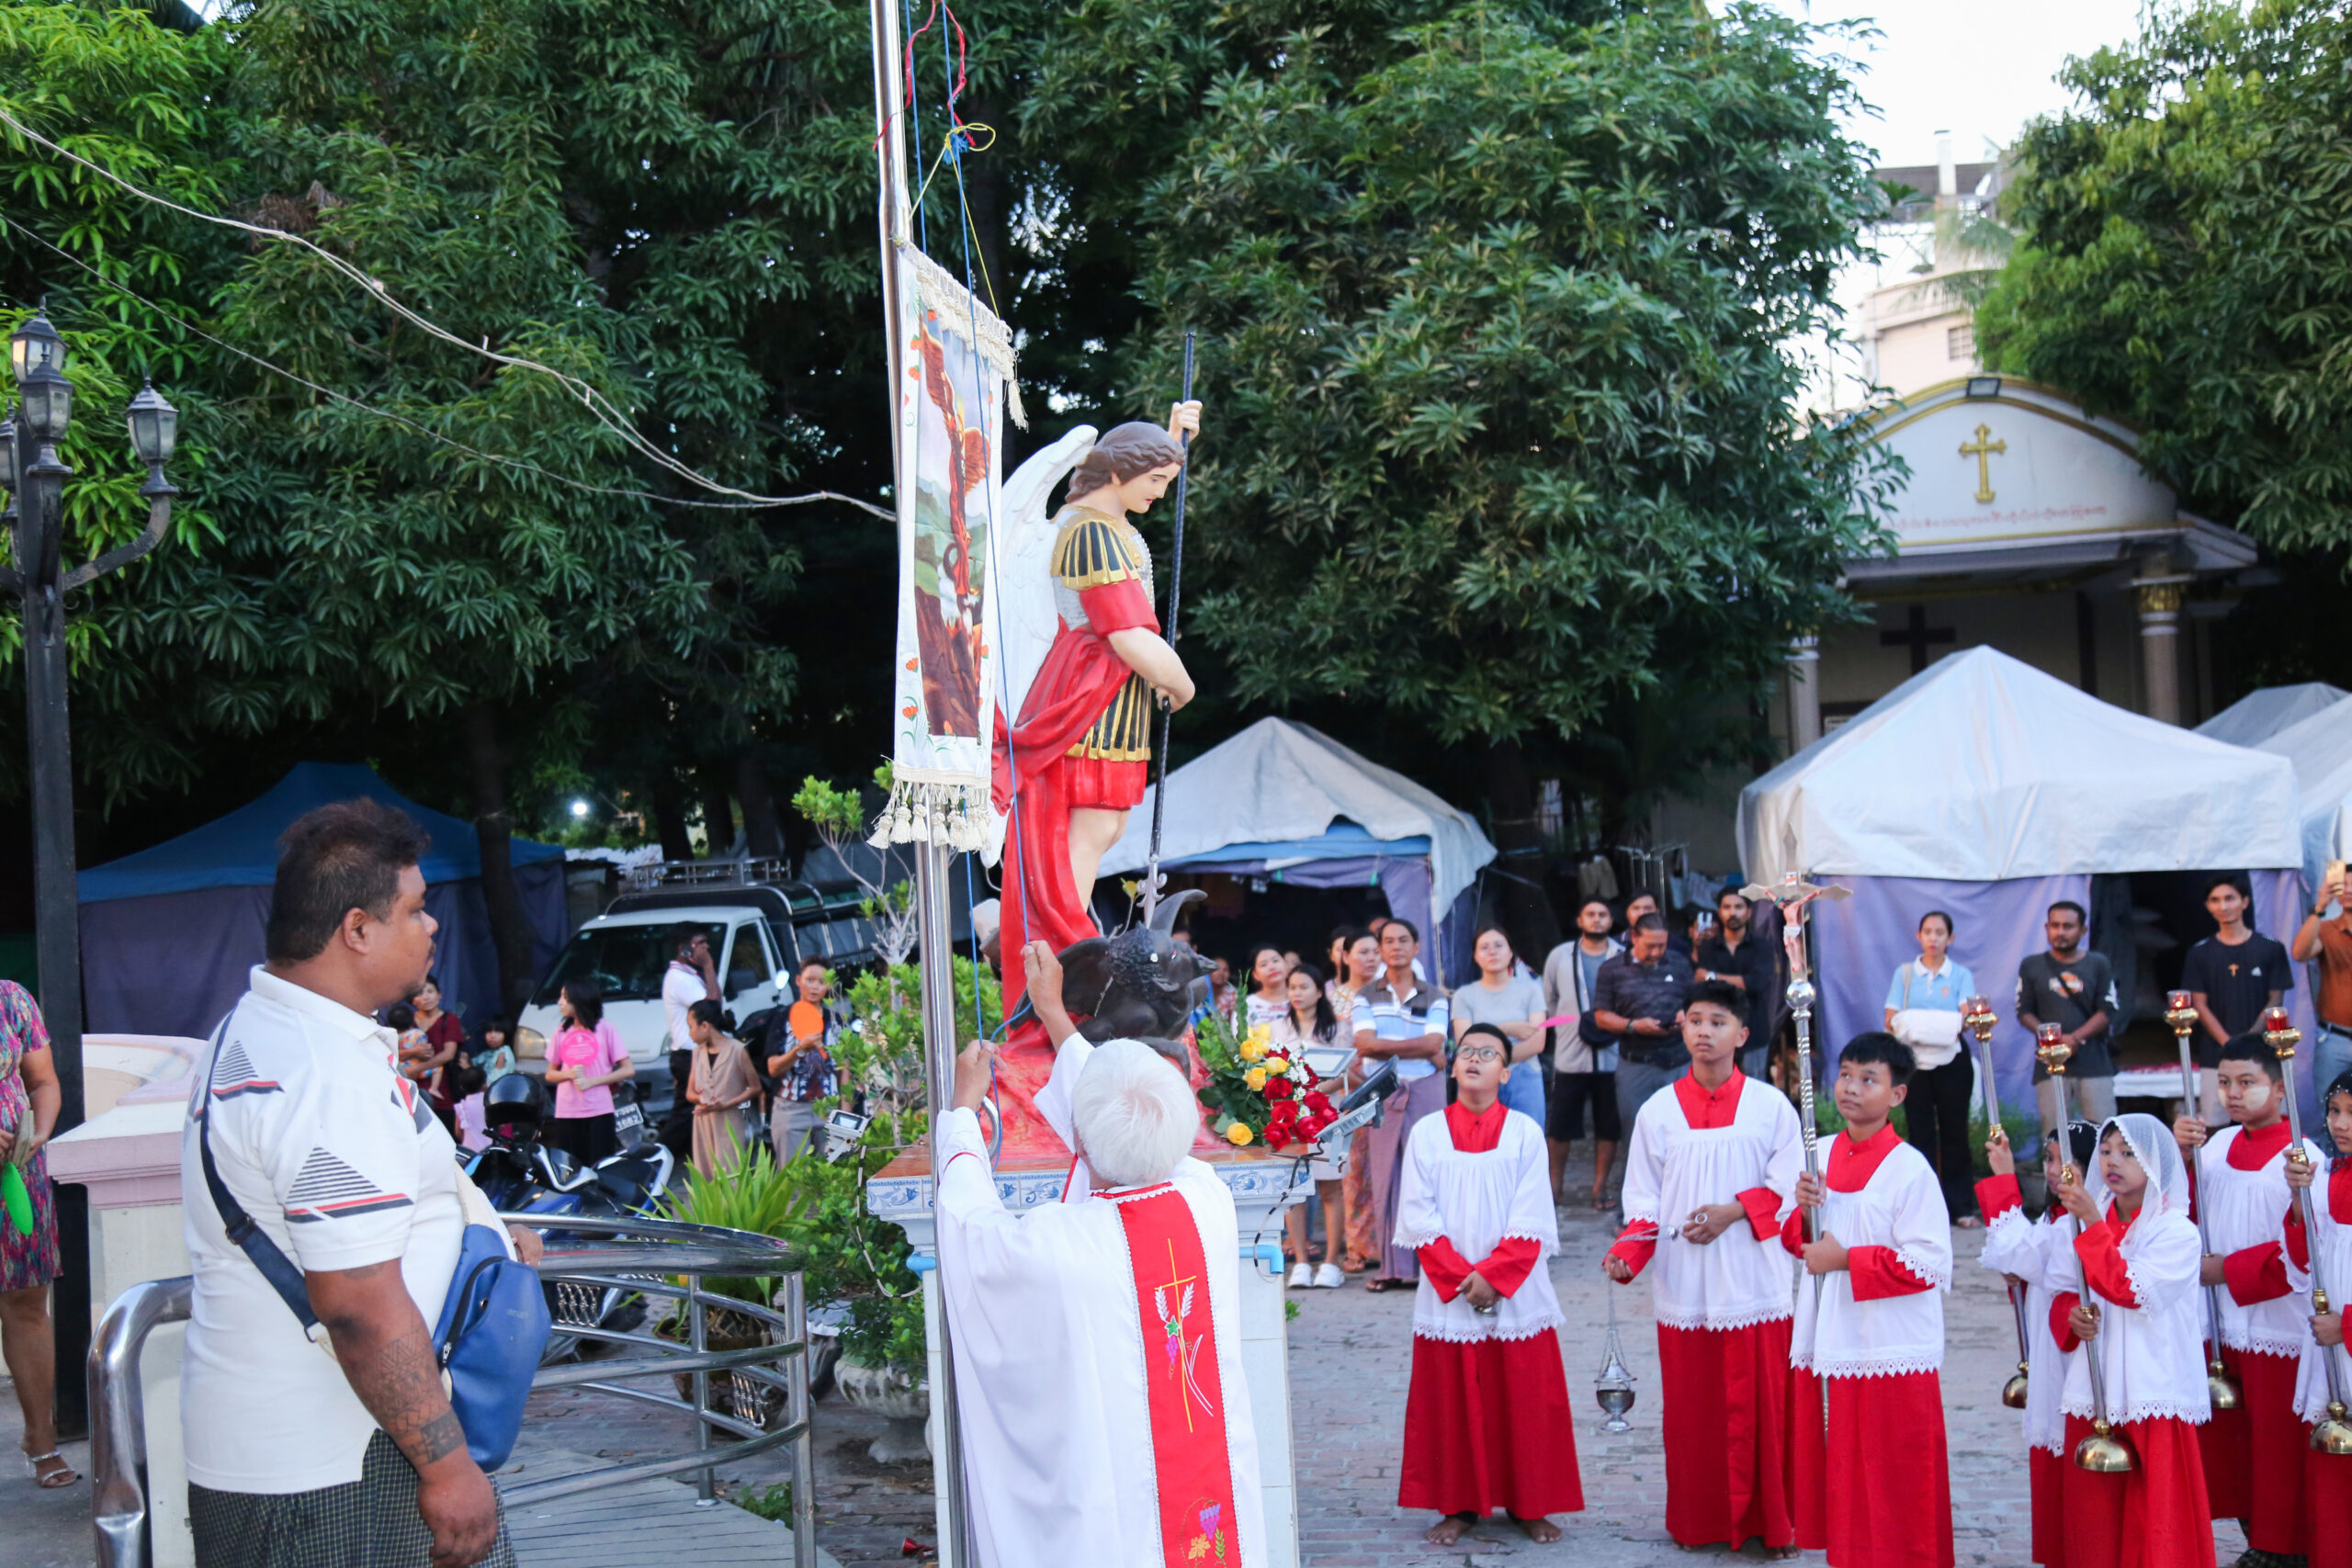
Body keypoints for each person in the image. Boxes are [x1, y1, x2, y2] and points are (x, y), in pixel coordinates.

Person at [179, 799, 541, 1568]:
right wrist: (447, 1466)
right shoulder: (321, 1072)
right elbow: (360, 1304)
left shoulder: (262, 1032)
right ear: (356, 929)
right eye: (414, 909)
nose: (432, 926)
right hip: (344, 1473)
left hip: (302, 1462)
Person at [933, 941, 1266, 1567]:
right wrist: (1054, 1011)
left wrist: (962, 1111)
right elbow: (1126, 1107)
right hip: (1202, 1503)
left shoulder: (1061, 1242)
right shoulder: (1207, 1200)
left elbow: (969, 1224)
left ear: (1080, 1137)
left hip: (1113, 1522)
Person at [991, 406, 1203, 1025]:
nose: (1160, 496)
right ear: (1122, 471)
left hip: (1110, 698)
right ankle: (1067, 974)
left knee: (1097, 836)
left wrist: (1170, 434)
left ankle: (1073, 967)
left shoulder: (1106, 523)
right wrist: (1182, 682)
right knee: (1075, 849)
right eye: (1155, 481)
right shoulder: (1088, 531)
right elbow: (1126, 631)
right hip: (1090, 699)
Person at [1604, 979, 1800, 1555]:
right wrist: (1628, 1253)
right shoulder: (1658, 1111)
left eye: (1718, 1021)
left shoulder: (1771, 1107)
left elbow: (1788, 1190)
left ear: (1741, 1035)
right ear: (1682, 1029)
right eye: (1694, 1020)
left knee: (1764, 1406)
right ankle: (1699, 1522)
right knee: (1694, 1411)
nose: (1704, 1031)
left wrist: (1735, 1211)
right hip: (1685, 1284)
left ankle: (1773, 1522)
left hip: (1754, 1279)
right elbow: (1642, 1198)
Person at [1394, 1018, 1580, 1545]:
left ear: (1506, 1073)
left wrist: (1495, 1278)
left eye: (1489, 1054)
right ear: (1453, 1067)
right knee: (1453, 1397)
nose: (1475, 1059)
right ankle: (1459, 1505)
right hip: (1449, 1290)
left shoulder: (1524, 1133)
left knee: (1525, 1394)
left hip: (1516, 1291)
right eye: (1467, 1052)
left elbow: (1533, 1214)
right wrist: (1460, 1279)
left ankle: (1532, 1503)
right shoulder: (1428, 1132)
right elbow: (1418, 1216)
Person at [1784, 1032, 1955, 1568]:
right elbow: (1803, 1244)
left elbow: (1930, 1263)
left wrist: (1847, 1260)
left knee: (1897, 1469)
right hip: (1835, 1335)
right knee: (1846, 1470)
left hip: (1891, 1344)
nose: (1851, 1089)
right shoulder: (1823, 1153)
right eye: (1846, 1075)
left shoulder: (1910, 1170)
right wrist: (1802, 1209)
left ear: (1898, 1095)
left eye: (1869, 1079)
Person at [2171, 1032, 2324, 1562]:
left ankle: (2285, 1547)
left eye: (2246, 1083)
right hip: (2222, 1322)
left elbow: (2306, 1249)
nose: (2232, 1094)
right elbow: (2184, 1213)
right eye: (2223, 1083)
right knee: (2238, 1442)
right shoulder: (2214, 1148)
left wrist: (2223, 1270)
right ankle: (2255, 1536)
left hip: (2279, 1323)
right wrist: (2183, 1159)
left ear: (2279, 1088)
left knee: (2278, 1442)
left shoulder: (2303, 1158)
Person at [2051, 1114, 2215, 1568]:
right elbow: (2065, 1287)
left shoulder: (2176, 1232)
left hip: (2150, 1386)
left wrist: (2089, 1221)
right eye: (2105, 1151)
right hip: (2098, 1383)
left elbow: (2129, 1289)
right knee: (2095, 1518)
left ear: (2155, 1163)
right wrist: (2074, 1316)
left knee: (2154, 1516)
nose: (2112, 1161)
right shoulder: (2087, 1224)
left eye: (2128, 1153)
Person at [1977, 1117, 2106, 1568]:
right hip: (2052, 1347)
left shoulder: (2080, 1222)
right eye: (2050, 1160)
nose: (2055, 1172)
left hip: (2073, 1350)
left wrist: (2004, 1180)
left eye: (2068, 1164)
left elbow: (2020, 1253)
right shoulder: (2055, 1218)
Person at [0, 980, 71, 1491]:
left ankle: (41, 1440)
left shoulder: (10, 1000)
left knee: (27, 1303)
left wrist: (39, 1132)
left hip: (15, 1175)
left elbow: (42, 1081)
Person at [1355, 919, 1451, 1292]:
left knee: (1429, 1174)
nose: (1396, 947)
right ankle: (1393, 1268)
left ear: (1416, 948)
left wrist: (1386, 1045)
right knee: (1386, 1176)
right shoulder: (1366, 995)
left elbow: (1434, 1045)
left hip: (1426, 1088)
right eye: (1389, 941)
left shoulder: (1435, 995)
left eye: (1404, 940)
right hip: (1383, 1089)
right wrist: (1418, 1047)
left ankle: (1434, 1266)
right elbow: (1364, 1044)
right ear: (1380, 948)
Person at [2286, 1067, 2352, 1568]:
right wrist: (2298, 1197)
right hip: (2330, 1341)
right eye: (2334, 1112)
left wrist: (2346, 1327)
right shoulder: (2330, 1175)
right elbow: (2307, 1258)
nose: (2342, 1124)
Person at [1884, 910, 1979, 1226]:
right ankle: (1923, 1208)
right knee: (1920, 1133)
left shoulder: (1960, 975)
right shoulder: (1906, 974)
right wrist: (1936, 1026)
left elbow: (1966, 1018)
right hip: (1915, 1065)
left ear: (1950, 938)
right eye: (1928, 931)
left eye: (1940, 932)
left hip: (1952, 1060)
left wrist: (1919, 1024)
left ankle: (1961, 1207)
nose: (1933, 938)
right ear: (1919, 936)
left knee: (1955, 1133)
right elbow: (1891, 1018)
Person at [2182, 874, 2294, 1126]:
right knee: (2214, 1125)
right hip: (2217, 1055)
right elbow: (2198, 1003)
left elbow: (2276, 998)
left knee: (2270, 1122)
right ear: (2208, 906)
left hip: (2262, 1053)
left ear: (2245, 902)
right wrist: (2229, 1043)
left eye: (2229, 898)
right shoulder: (2200, 953)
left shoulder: (2270, 948)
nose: (2223, 906)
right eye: (2215, 900)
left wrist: (2248, 1041)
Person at [1591, 913, 1695, 1162]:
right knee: (1637, 1132)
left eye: (1662, 945)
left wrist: (1686, 1014)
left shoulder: (1679, 963)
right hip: (1636, 1063)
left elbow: (1695, 1002)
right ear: (1634, 937)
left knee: (1683, 1131)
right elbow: (1601, 1016)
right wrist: (1632, 1025)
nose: (1657, 952)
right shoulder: (1612, 969)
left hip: (1679, 1060)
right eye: (1651, 946)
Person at [1273, 963, 1351, 1289]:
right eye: (1292, 987)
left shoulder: (1339, 1029)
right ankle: (1302, 1262)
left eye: (1304, 987)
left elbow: (1342, 1074)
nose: (1297, 993)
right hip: (1290, 1116)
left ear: (1320, 991)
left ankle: (1332, 1262)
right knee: (1295, 1191)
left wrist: (1315, 1090)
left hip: (1328, 1115)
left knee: (1330, 1188)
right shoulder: (1278, 1028)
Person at [1544, 897, 1623, 1208]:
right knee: (1560, 1126)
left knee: (1608, 1126)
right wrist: (1567, 1024)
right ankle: (1554, 1187)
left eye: (1602, 914)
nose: (1597, 919)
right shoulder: (1561, 956)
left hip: (1611, 1054)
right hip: (1570, 1054)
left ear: (1610, 920)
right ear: (1580, 920)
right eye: (1590, 914)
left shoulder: (1622, 955)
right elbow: (1549, 999)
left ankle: (1599, 1188)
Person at [2018, 901, 2120, 1137]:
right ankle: (2056, 1176)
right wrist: (2053, 1039)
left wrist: (2074, 1038)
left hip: (2094, 1064)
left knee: (2103, 1134)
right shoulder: (2031, 965)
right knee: (2054, 1136)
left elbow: (2107, 1011)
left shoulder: (2098, 963)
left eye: (2068, 926)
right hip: (2049, 1064)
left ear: (2082, 931)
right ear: (2046, 927)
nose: (2060, 932)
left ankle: (2099, 1176)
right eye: (2055, 925)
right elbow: (2023, 1011)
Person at [1450, 926, 1546, 1123]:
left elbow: (1537, 1043)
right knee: (1478, 1143)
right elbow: (1465, 1043)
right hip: (1477, 1079)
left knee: (1527, 1142)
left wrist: (1486, 1049)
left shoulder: (1531, 990)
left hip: (1524, 1076)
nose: (1492, 951)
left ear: (1510, 952)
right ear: (1475, 956)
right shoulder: (1464, 995)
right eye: (1484, 947)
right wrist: (1507, 1028)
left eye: (1499, 945)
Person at [1335, 930, 1386, 1273]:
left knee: (1384, 1168)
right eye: (1362, 951)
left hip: (1386, 1085)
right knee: (1354, 1172)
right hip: (1348, 1089)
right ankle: (1357, 1246)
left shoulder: (1388, 995)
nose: (1370, 957)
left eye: (1374, 952)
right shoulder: (1335, 999)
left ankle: (1386, 1244)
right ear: (1345, 956)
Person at [545, 978, 633, 1168]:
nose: (559, 1003)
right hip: (566, 1111)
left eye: (565, 998)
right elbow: (550, 1074)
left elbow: (628, 1070)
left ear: (579, 1000)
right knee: (571, 1167)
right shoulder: (561, 1031)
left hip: (599, 1110)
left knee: (602, 1165)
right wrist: (568, 1074)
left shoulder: (605, 1029)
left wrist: (592, 1082)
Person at [767, 959, 840, 1165]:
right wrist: (799, 1050)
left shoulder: (836, 1020)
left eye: (822, 981)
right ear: (798, 981)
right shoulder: (782, 1018)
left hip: (829, 1106)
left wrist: (846, 1109)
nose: (815, 986)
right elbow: (773, 1068)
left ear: (829, 986)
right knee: (793, 1182)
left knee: (834, 1178)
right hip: (791, 1108)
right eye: (810, 980)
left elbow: (846, 1069)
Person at [1694, 887, 1772, 1077]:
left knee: (1754, 1091)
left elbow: (1757, 983)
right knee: (1718, 1089)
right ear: (1720, 912)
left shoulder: (1762, 946)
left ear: (1749, 912)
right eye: (1727, 907)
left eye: (1738, 907)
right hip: (1717, 1032)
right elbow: (1704, 987)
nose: (1733, 913)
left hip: (1754, 1030)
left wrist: (1712, 976)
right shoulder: (1707, 948)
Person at [2291, 865, 2352, 1103]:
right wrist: (2320, 907)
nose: (2348, 890)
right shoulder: (2326, 929)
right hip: (2335, 1039)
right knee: (2331, 1111)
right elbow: (2299, 952)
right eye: (2343, 884)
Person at [684, 998, 763, 1179]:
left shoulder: (737, 1050)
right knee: (706, 1177)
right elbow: (689, 1093)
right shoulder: (697, 1053)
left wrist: (727, 1103)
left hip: (729, 1121)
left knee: (731, 1174)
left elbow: (755, 1087)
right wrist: (701, 1099)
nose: (689, 1033)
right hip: (703, 1122)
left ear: (705, 1026)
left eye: (690, 1026)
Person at [410, 976, 467, 1137]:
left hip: (443, 1091)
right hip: (413, 1089)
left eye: (430, 991)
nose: (426, 997)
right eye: (420, 993)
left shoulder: (449, 1020)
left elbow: (449, 1053)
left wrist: (418, 1067)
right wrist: (413, 1053)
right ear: (413, 1000)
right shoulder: (406, 1020)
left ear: (439, 994)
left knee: (444, 1136)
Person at [662, 921, 718, 1053]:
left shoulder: (687, 974)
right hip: (690, 1054)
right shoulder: (680, 979)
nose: (706, 947)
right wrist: (708, 965)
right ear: (684, 949)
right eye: (701, 943)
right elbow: (713, 1008)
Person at [1242, 945, 1291, 1032]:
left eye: (1275, 961)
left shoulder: (1302, 997)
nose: (1272, 967)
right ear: (1255, 975)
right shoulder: (1246, 1004)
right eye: (1263, 965)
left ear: (1287, 965)